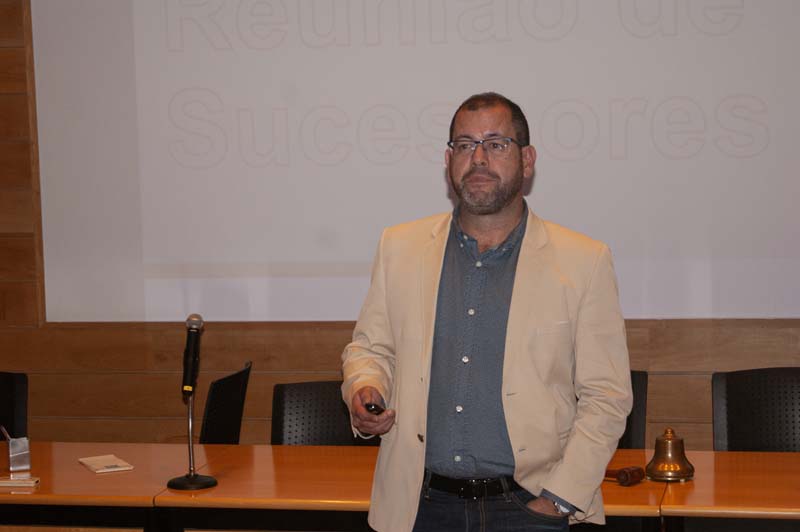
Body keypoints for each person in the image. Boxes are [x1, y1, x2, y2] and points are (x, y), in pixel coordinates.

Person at [341, 92, 632, 532]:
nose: (478, 158)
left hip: (531, 507)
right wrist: (365, 386)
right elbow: (369, 348)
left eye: (496, 144)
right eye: (464, 145)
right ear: (448, 160)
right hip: (419, 507)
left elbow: (606, 396)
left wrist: (558, 501)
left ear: (527, 160)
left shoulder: (583, 261)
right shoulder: (400, 248)